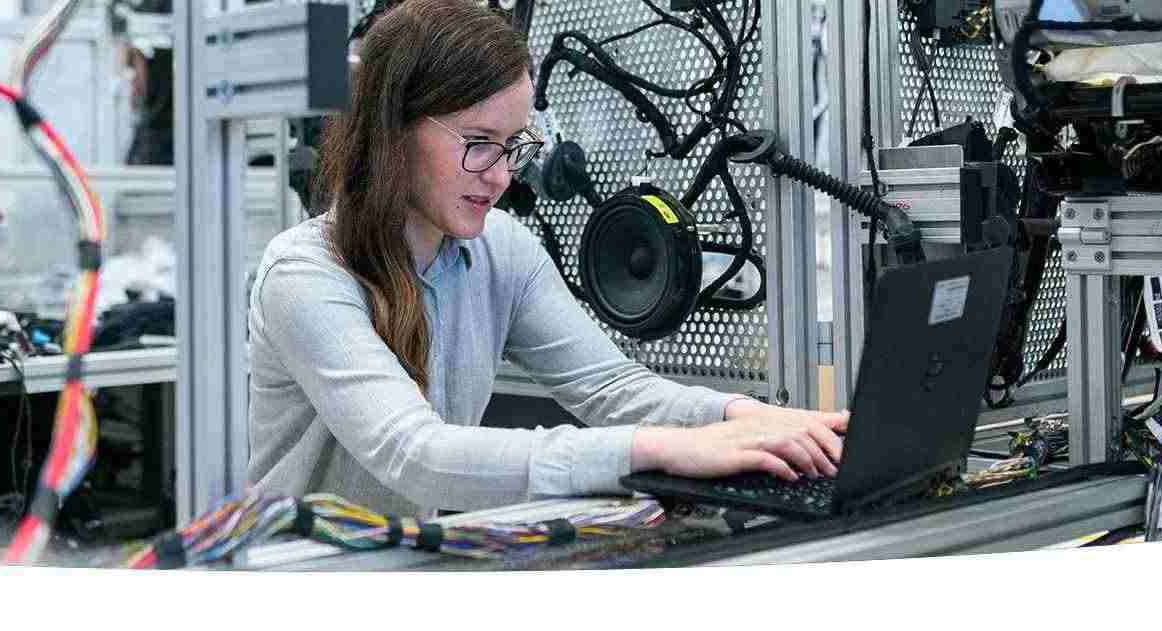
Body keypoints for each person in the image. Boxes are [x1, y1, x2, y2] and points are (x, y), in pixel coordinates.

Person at [245, 0, 848, 520]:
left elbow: (613, 388)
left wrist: (749, 417)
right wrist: (657, 449)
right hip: (303, 575)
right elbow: (417, 456)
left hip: (410, 563)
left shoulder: (501, 250)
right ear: (393, 131)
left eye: (514, 146)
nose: (501, 177)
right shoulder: (306, 274)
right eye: (479, 144)